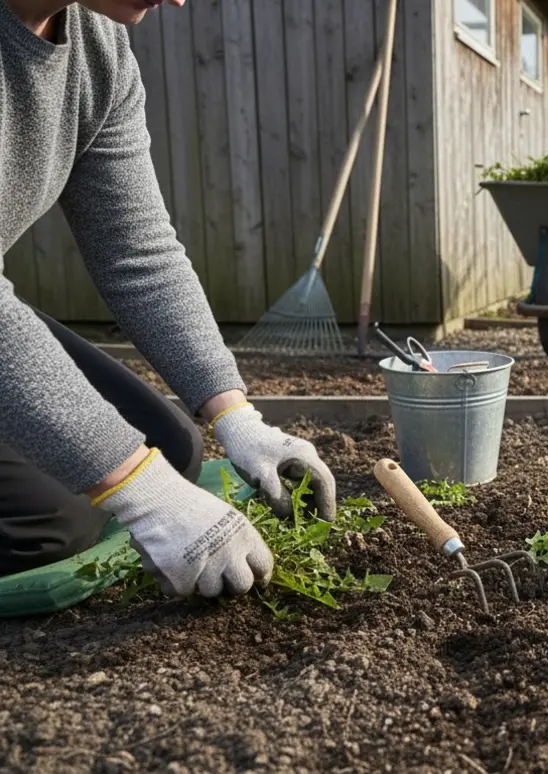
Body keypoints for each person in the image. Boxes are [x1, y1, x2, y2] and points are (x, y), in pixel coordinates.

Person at [0, 0, 337, 599]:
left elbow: (137, 249)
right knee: (45, 525)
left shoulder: (98, 49)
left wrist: (237, 418)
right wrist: (139, 490)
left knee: (173, 447)